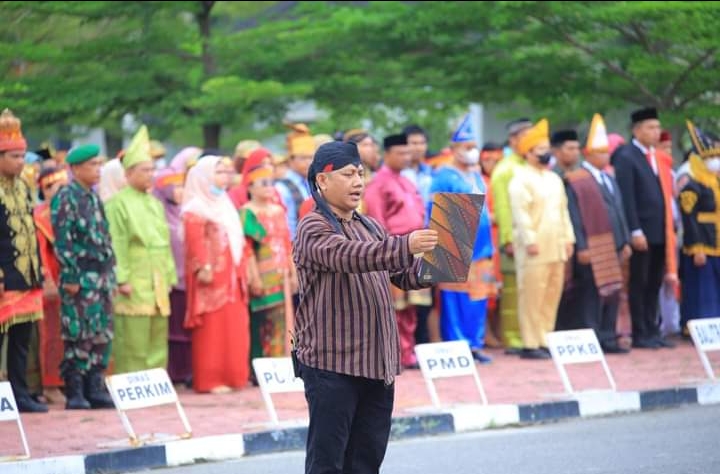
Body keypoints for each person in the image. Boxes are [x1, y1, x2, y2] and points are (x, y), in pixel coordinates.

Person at [293, 140, 438, 474]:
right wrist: (406, 244)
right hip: (332, 364)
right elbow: (349, 257)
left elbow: (403, 275)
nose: (358, 182)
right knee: (327, 461)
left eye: (360, 173)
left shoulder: (370, 226)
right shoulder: (313, 226)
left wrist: (442, 264)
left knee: (366, 460)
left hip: (376, 363)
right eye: (348, 174)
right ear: (322, 181)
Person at [558, 114, 631, 353]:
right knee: (590, 294)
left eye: (607, 152)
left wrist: (625, 240)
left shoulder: (609, 177)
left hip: (614, 245)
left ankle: (609, 336)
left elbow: (619, 211)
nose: (606, 156)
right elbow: (575, 215)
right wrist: (582, 246)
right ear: (588, 154)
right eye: (600, 152)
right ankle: (592, 338)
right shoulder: (576, 180)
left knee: (613, 292)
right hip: (592, 246)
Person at [105, 126, 175, 374]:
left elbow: (164, 243)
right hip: (134, 277)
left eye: (152, 170)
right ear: (128, 173)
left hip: (157, 278)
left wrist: (169, 275)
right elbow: (117, 242)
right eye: (145, 170)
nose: (150, 175)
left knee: (158, 334)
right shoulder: (117, 204)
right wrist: (121, 278)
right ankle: (131, 384)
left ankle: (155, 383)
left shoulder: (155, 203)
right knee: (133, 337)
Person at [51, 144, 116, 409]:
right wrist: (70, 276)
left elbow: (104, 238)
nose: (98, 170)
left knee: (101, 332)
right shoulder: (67, 197)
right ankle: (75, 390)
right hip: (80, 277)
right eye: (92, 165)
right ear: (75, 168)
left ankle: (94, 386)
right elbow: (63, 241)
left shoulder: (92, 197)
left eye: (100, 164)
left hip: (100, 277)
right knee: (78, 332)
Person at [429, 116, 496, 363]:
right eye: (466, 147)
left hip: (482, 244)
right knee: (455, 299)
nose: (471, 151)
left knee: (478, 296)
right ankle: (458, 344)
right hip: (454, 240)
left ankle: (475, 344)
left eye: (473, 146)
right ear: (454, 149)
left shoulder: (476, 174)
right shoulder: (444, 175)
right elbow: (435, 209)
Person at [182, 155, 250, 393]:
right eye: (219, 172)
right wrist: (203, 266)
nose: (225, 176)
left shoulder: (225, 203)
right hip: (211, 276)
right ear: (204, 177)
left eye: (226, 172)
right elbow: (194, 241)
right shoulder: (195, 207)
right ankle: (211, 379)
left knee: (234, 326)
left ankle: (234, 376)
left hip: (232, 274)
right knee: (213, 328)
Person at [508, 119, 575, 359]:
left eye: (547, 149)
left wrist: (569, 238)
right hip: (534, 248)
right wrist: (529, 241)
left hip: (556, 246)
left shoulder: (554, 179)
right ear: (528, 153)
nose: (546, 154)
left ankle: (546, 338)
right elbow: (520, 214)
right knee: (532, 295)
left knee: (551, 294)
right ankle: (530, 343)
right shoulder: (520, 179)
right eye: (540, 150)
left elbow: (563, 211)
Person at [611, 107, 677, 349]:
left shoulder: (657, 156)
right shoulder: (626, 156)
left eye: (657, 127)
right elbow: (627, 197)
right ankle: (640, 332)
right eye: (650, 127)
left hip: (660, 230)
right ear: (636, 130)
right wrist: (634, 230)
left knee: (655, 283)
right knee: (639, 282)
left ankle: (653, 328)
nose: (655, 132)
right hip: (642, 232)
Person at [364, 133, 426, 368]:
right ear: (387, 154)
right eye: (400, 153)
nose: (406, 157)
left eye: (408, 153)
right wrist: (388, 250)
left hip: (415, 248)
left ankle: (408, 351)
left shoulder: (408, 181)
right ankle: (397, 353)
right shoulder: (378, 184)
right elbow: (377, 220)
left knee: (412, 306)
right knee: (394, 308)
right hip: (394, 249)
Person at [0, 109, 47, 413]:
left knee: (21, 341)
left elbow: (31, 228)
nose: (21, 162)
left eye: (22, 156)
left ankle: (21, 395)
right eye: (15, 157)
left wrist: (39, 267)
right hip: (4, 277)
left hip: (27, 275)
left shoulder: (23, 187)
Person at [240, 163, 297, 361]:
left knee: (283, 319)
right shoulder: (247, 213)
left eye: (270, 183)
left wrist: (293, 272)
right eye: (263, 183)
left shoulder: (278, 210)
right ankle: (260, 367)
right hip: (262, 274)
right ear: (250, 187)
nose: (268, 187)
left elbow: (286, 243)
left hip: (281, 273)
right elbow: (247, 250)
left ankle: (281, 362)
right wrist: (253, 277)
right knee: (262, 320)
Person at [490, 118, 532, 353]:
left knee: (530, 289)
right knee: (513, 291)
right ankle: (512, 338)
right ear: (514, 140)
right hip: (513, 238)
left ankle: (529, 335)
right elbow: (503, 207)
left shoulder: (529, 166)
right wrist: (507, 239)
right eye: (526, 136)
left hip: (533, 239)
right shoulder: (506, 169)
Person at [33, 167, 70, 404]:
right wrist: (47, 278)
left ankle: (68, 381)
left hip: (72, 280)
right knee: (51, 334)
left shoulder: (68, 212)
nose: (58, 191)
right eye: (52, 187)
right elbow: (39, 252)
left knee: (70, 334)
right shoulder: (39, 216)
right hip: (51, 282)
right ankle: (50, 384)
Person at [678, 120, 720, 329]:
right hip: (702, 244)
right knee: (703, 289)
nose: (716, 161)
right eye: (711, 157)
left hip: (718, 244)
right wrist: (697, 248)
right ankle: (700, 328)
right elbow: (689, 218)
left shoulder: (716, 185)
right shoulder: (692, 187)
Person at [152, 167, 192, 385]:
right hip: (170, 281)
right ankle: (174, 373)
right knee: (173, 330)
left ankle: (186, 370)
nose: (179, 191)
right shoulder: (158, 213)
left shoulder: (185, 212)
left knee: (186, 330)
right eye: (174, 186)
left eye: (181, 185)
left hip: (189, 280)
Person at [479, 143, 505, 348]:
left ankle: (497, 330)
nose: (492, 164)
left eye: (497, 161)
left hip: (499, 238)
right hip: (485, 238)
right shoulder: (480, 182)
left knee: (499, 287)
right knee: (485, 285)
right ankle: (485, 331)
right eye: (488, 160)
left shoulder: (502, 181)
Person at [276, 123, 315, 239]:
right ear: (291, 160)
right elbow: (288, 224)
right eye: (303, 158)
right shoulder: (282, 187)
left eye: (311, 157)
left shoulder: (314, 182)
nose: (309, 162)